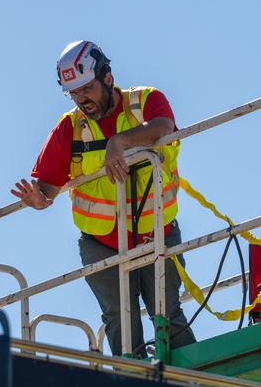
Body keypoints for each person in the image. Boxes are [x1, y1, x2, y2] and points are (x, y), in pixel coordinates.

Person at [11, 40, 197, 357]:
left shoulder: (147, 101)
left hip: (158, 234)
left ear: (107, 78)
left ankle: (200, 380)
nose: (82, 99)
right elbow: (49, 188)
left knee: (167, 314)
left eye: (87, 88)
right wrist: (40, 200)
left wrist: (118, 142)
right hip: (102, 244)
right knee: (119, 320)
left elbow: (165, 126)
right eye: (74, 93)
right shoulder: (69, 128)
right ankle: (132, 385)